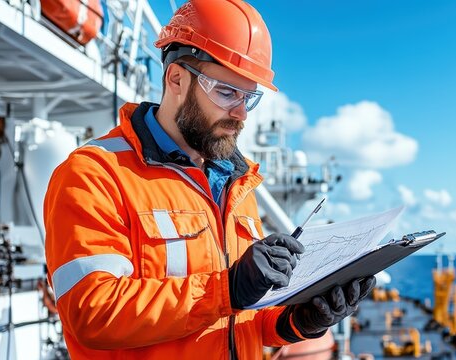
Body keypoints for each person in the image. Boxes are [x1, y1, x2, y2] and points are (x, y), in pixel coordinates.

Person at [43, 0, 375, 359]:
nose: (240, 113)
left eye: (249, 97)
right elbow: (92, 313)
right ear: (176, 80)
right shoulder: (95, 175)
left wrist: (297, 321)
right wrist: (227, 289)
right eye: (227, 92)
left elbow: (243, 318)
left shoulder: (236, 184)